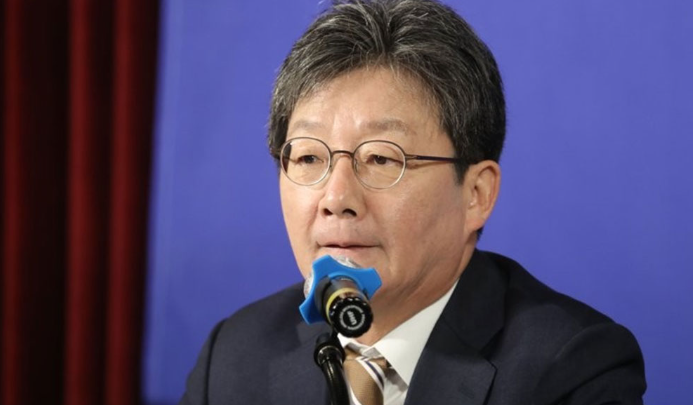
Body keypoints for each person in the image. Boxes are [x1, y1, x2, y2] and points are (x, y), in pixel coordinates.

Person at [180, 0, 646, 404]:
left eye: (382, 159)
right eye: (307, 157)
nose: (336, 198)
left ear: (477, 194)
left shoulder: (570, 369)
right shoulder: (235, 357)